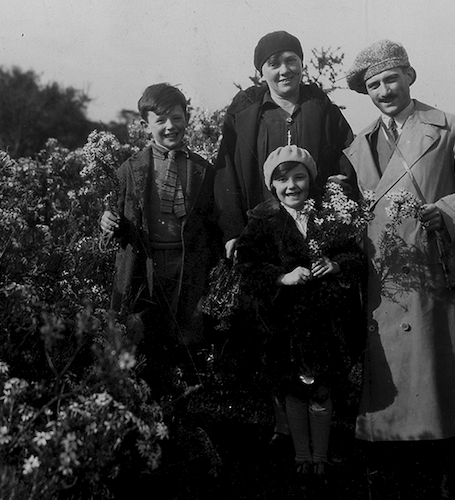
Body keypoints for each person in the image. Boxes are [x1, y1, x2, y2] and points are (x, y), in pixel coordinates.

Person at [342, 40, 455, 499]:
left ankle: (454, 479)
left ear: (410, 76)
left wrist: (446, 212)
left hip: (438, 272)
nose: (384, 90)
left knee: (443, 388)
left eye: (391, 78)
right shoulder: (361, 143)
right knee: (395, 396)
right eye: (373, 84)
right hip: (388, 280)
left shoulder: (451, 128)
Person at [213, 29, 354, 446]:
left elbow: (346, 161)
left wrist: (337, 217)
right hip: (264, 232)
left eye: (290, 59)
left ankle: (317, 421)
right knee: (269, 325)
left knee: (311, 326)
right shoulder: (246, 114)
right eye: (273, 62)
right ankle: (282, 422)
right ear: (261, 72)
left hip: (311, 231)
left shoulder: (321, 108)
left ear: (301, 64)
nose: (283, 69)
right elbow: (227, 173)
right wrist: (233, 231)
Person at [234, 145, 365, 486]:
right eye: (282, 180)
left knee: (321, 389)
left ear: (311, 179)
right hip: (283, 322)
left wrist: (336, 265)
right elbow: (247, 266)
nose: (291, 185)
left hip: (324, 321)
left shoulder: (328, 216)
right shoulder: (262, 222)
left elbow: (355, 256)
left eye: (299, 177)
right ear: (272, 185)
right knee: (291, 388)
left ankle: (320, 458)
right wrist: (282, 277)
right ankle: (300, 457)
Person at [100, 83, 221, 394]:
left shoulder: (202, 170)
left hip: (187, 265)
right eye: (161, 120)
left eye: (177, 118)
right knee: (139, 326)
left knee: (185, 328)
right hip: (146, 262)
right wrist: (107, 222)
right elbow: (115, 212)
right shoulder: (131, 169)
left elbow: (211, 221)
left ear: (187, 119)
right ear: (145, 126)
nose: (170, 127)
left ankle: (186, 396)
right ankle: (141, 392)